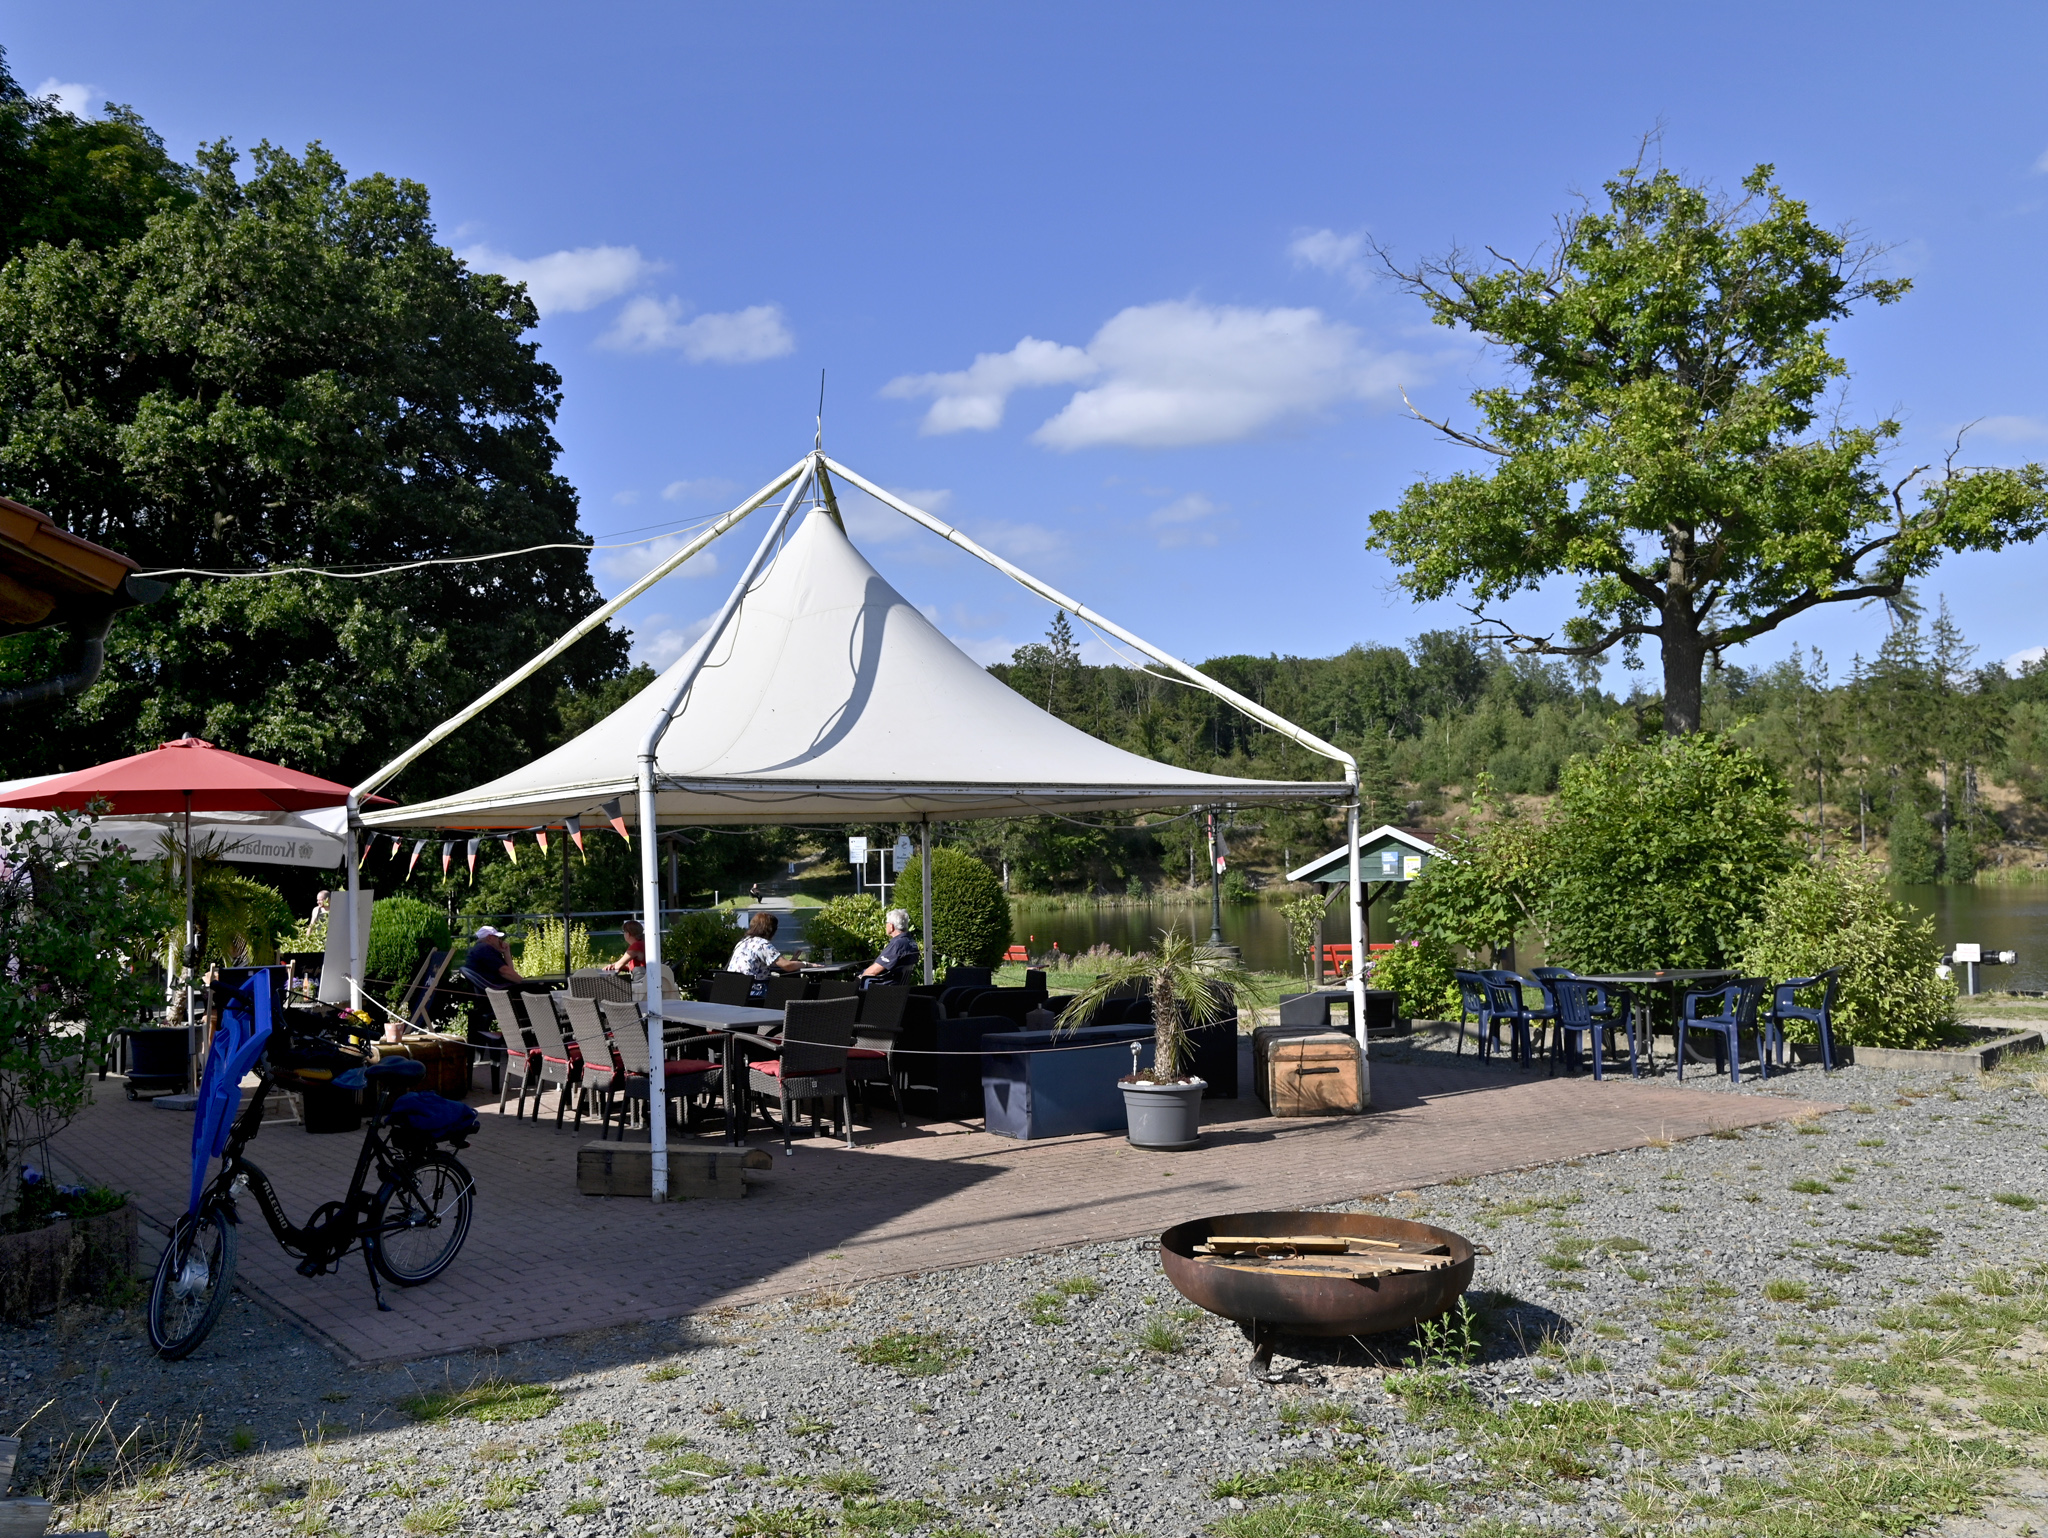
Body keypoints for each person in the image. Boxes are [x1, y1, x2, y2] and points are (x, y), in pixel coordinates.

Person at [463, 925, 549, 993]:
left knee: (538, 987)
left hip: (497, 991)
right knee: (543, 988)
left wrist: (506, 952)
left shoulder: (478, 949)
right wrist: (525, 982)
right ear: (489, 938)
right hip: (501, 993)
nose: (500, 941)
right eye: (497, 938)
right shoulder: (485, 949)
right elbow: (505, 971)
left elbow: (509, 971)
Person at [728, 911, 801, 978]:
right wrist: (807, 964)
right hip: (753, 989)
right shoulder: (762, 945)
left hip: (734, 988)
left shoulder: (743, 942)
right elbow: (787, 965)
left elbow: (772, 962)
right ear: (770, 930)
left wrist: (792, 961)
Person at [861, 908, 921, 986]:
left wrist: (860, 977)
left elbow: (873, 971)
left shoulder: (898, 944)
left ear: (891, 926)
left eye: (886, 922)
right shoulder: (910, 941)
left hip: (885, 989)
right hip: (899, 988)